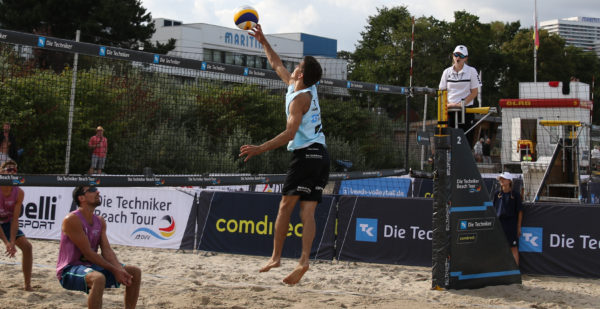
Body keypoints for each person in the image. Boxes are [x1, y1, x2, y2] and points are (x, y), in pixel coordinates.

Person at [239, 24, 329, 285]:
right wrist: (262, 39)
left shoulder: (298, 99)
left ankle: (276, 257)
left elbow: (290, 134)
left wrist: (259, 148)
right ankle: (303, 261)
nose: (295, 66)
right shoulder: (303, 86)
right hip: (322, 155)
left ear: (301, 72)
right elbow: (276, 64)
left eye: (299, 65)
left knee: (284, 207)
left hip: (306, 156)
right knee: (307, 212)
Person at [57, 185, 141, 308]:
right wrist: (115, 270)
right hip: (69, 269)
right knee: (98, 278)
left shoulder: (100, 220)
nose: (97, 191)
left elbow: (107, 251)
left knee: (134, 272)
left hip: (91, 265)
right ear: (81, 198)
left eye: (96, 189)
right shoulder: (72, 219)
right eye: (91, 190)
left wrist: (119, 269)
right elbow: (88, 254)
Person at [439, 45, 482, 146]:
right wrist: (448, 104)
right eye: (456, 55)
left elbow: (474, 92)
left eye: (461, 56)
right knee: (448, 141)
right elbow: (442, 92)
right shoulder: (446, 72)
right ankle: (449, 161)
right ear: (453, 56)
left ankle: (464, 161)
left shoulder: (472, 71)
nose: (458, 58)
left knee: (465, 141)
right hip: (449, 110)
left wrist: (461, 104)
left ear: (466, 58)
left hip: (466, 110)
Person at [0, 160, 33, 291]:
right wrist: (6, 242)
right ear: (1, 172)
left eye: (15, 170)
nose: (12, 172)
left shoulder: (19, 192)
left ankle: (27, 285)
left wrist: (12, 241)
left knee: (27, 247)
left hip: (7, 222)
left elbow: (15, 219)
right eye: (9, 170)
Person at [492, 172, 523, 266]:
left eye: (503, 179)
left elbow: (520, 212)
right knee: (498, 247)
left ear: (509, 181)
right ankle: (500, 270)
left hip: (510, 224)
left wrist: (518, 227)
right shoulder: (497, 194)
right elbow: (493, 210)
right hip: (499, 224)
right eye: (500, 179)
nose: (501, 180)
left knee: (513, 247)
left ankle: (515, 271)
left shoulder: (516, 195)